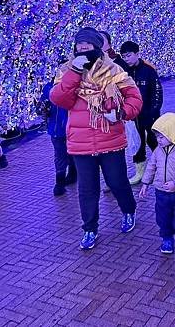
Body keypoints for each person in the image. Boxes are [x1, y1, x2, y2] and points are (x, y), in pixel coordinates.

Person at [50, 27, 143, 250]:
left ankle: (128, 211)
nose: (82, 50)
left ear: (97, 48)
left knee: (117, 182)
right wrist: (74, 71)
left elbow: (134, 97)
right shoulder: (66, 71)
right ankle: (90, 228)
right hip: (80, 143)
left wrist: (121, 113)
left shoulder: (114, 70)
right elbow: (59, 98)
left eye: (87, 47)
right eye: (79, 47)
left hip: (110, 139)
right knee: (87, 189)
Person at [139, 113, 175, 260]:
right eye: (157, 137)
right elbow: (151, 166)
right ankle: (167, 238)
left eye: (161, 137)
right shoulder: (158, 150)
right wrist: (145, 183)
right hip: (161, 192)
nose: (158, 140)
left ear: (172, 134)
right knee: (163, 217)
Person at [119, 40, 163, 185]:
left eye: (129, 55)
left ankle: (164, 168)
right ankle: (140, 172)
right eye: (124, 56)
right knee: (137, 144)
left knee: (155, 142)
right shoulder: (122, 71)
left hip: (150, 115)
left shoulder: (149, 70)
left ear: (137, 54)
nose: (127, 59)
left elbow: (157, 93)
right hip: (132, 116)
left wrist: (153, 112)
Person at [39, 62, 77, 196]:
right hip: (57, 128)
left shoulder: (76, 86)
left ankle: (73, 174)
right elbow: (42, 105)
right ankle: (59, 183)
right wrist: (43, 109)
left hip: (74, 128)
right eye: (61, 69)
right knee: (60, 154)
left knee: (74, 152)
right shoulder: (49, 87)